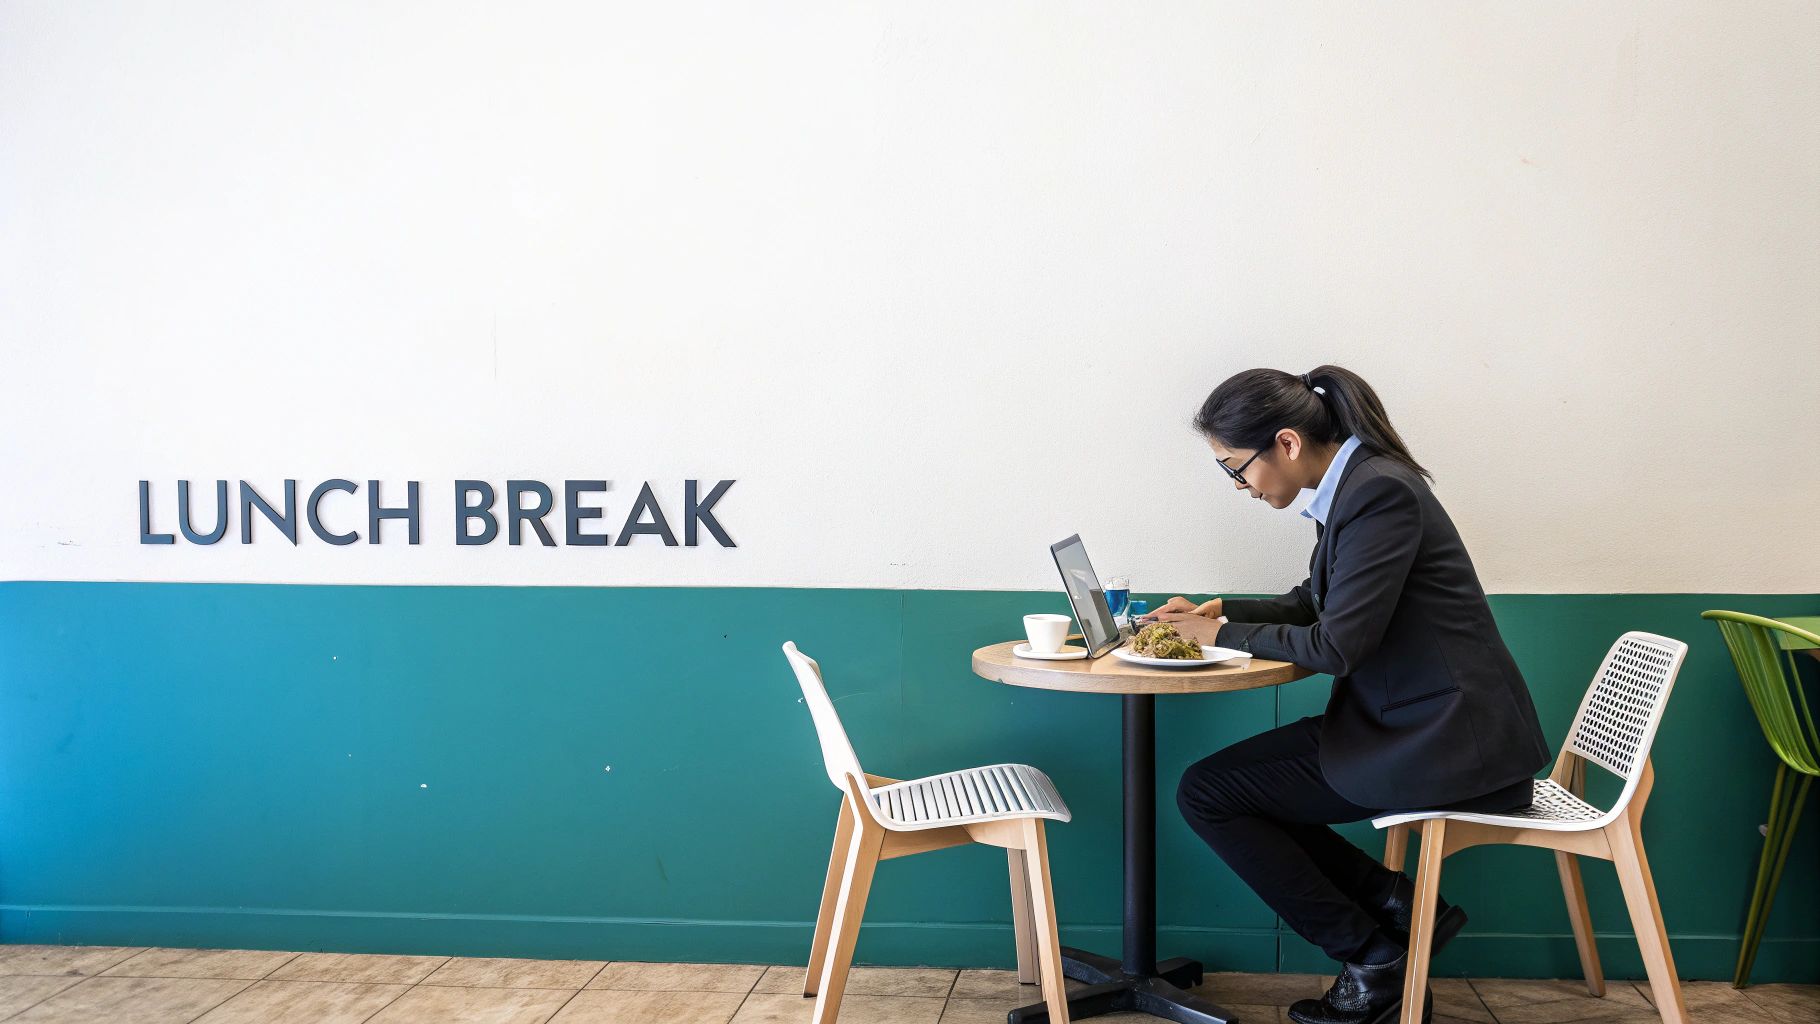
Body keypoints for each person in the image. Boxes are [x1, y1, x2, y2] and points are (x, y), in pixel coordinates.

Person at [1146, 365, 1550, 1024]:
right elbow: (1317, 602)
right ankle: (1392, 904)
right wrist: (1224, 609)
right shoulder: (1356, 486)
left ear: (1285, 443)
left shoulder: (1377, 493)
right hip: (1415, 725)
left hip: (1448, 745)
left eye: (1235, 467)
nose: (1239, 486)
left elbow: (1338, 646)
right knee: (1220, 786)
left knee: (1209, 793)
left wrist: (1221, 631)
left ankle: (1373, 958)